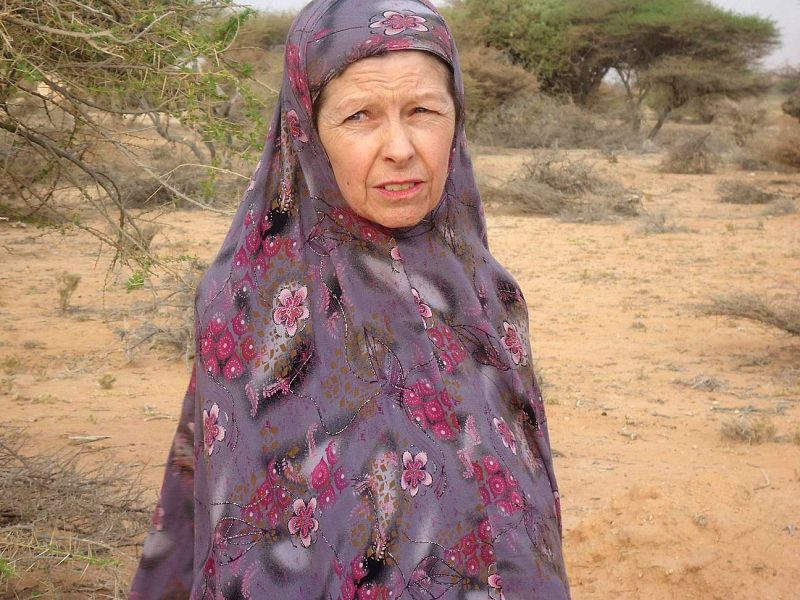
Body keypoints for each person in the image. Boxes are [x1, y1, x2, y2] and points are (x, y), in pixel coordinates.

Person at [130, 0, 571, 597]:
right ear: (307, 130)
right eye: (360, 115)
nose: (400, 148)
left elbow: (527, 510)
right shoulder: (250, 309)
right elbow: (247, 547)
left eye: (423, 111)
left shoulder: (490, 296)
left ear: (457, 119)